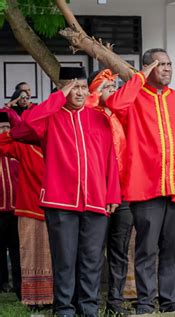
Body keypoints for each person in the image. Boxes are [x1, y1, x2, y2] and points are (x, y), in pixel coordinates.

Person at [19, 67, 121, 316]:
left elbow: (111, 159)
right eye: (73, 87)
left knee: (91, 260)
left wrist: (112, 195)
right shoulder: (49, 117)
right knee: (64, 260)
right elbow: (23, 127)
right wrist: (56, 97)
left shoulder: (98, 118)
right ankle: (64, 308)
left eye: (83, 87)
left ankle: (88, 308)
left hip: (96, 201)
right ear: (62, 89)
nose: (79, 92)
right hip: (60, 201)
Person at [106, 49, 175, 314]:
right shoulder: (135, 97)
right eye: (161, 64)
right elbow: (114, 104)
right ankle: (145, 303)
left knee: (172, 248)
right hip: (145, 186)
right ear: (147, 68)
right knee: (146, 249)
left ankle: (170, 301)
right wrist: (138, 78)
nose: (168, 69)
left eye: (170, 64)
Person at [86, 69, 135, 315]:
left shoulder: (121, 115)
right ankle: (89, 303)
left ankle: (115, 303)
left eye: (114, 86)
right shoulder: (87, 117)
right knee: (93, 253)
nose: (111, 91)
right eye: (105, 87)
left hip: (124, 193)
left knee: (120, 250)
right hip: (98, 194)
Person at [0, 109, 52, 306]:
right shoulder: (24, 148)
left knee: (55, 255)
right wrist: (13, 120)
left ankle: (55, 297)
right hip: (29, 209)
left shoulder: (60, 147)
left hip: (58, 210)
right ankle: (31, 298)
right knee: (29, 254)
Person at [0, 112, 20, 299]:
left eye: (7, 127)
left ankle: (18, 284)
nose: (5, 131)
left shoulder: (16, 150)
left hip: (15, 208)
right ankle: (2, 283)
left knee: (16, 248)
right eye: (1, 128)